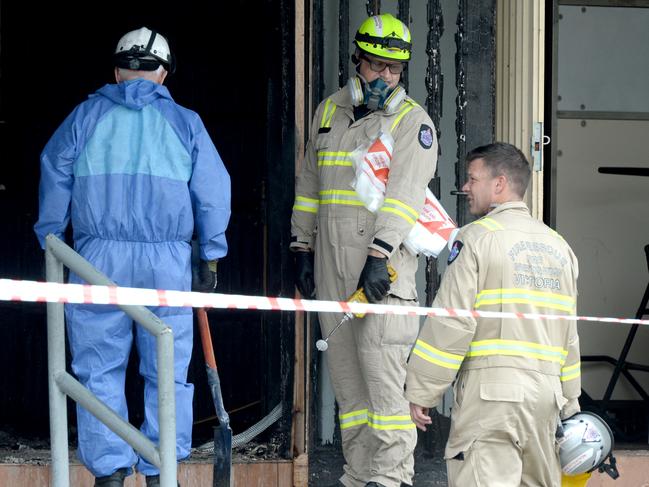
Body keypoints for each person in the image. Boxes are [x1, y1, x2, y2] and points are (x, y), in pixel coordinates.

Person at [34, 27, 231, 487]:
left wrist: (51, 240)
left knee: (97, 367)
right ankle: (162, 468)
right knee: (168, 370)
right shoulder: (186, 122)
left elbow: (54, 171)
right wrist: (211, 256)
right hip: (167, 261)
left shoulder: (84, 117)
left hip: (95, 258)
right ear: (164, 73)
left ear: (116, 70)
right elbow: (213, 193)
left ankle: (109, 474)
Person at [291, 13, 438, 487]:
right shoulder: (329, 111)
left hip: (383, 275)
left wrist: (379, 255)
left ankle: (390, 480)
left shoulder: (412, 121)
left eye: (394, 69)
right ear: (358, 61)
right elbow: (310, 183)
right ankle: (358, 479)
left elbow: (405, 196)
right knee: (350, 393)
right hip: (332, 269)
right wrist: (300, 242)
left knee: (386, 395)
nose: (384, 77)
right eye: (376, 66)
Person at [405, 142, 581, 487]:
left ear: (499, 184)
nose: (465, 188)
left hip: (491, 399)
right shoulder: (561, 247)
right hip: (546, 400)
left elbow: (452, 322)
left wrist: (422, 390)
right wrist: (570, 402)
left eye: (473, 179)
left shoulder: (475, 239)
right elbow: (569, 335)